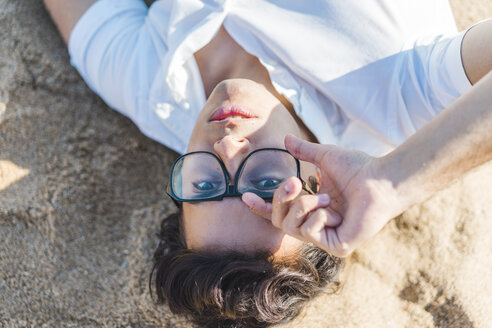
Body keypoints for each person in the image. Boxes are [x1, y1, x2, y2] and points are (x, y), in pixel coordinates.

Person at [43, 0, 492, 327]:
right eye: (266, 180)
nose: (227, 148)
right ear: (321, 186)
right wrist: (396, 185)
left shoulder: (150, 92)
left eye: (203, 187)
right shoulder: (398, 95)